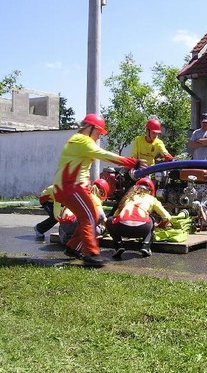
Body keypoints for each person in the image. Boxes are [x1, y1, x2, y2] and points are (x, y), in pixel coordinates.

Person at [52, 113, 146, 266]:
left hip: (70, 187)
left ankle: (73, 247)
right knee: (89, 217)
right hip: (70, 187)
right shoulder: (82, 141)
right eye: (98, 132)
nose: (98, 137)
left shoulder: (77, 140)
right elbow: (104, 155)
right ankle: (91, 254)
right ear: (90, 128)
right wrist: (132, 162)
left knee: (94, 215)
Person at [105, 177, 172, 260]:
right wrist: (160, 225)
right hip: (142, 229)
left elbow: (115, 216)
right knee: (151, 219)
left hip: (122, 229)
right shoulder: (152, 199)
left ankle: (119, 245)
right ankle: (145, 245)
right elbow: (167, 217)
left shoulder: (128, 198)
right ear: (150, 191)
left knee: (109, 220)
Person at [57, 178, 109, 246]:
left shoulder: (84, 194)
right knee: (97, 228)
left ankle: (67, 235)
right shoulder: (95, 198)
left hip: (64, 223)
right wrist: (106, 230)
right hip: (73, 222)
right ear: (102, 192)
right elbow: (103, 219)